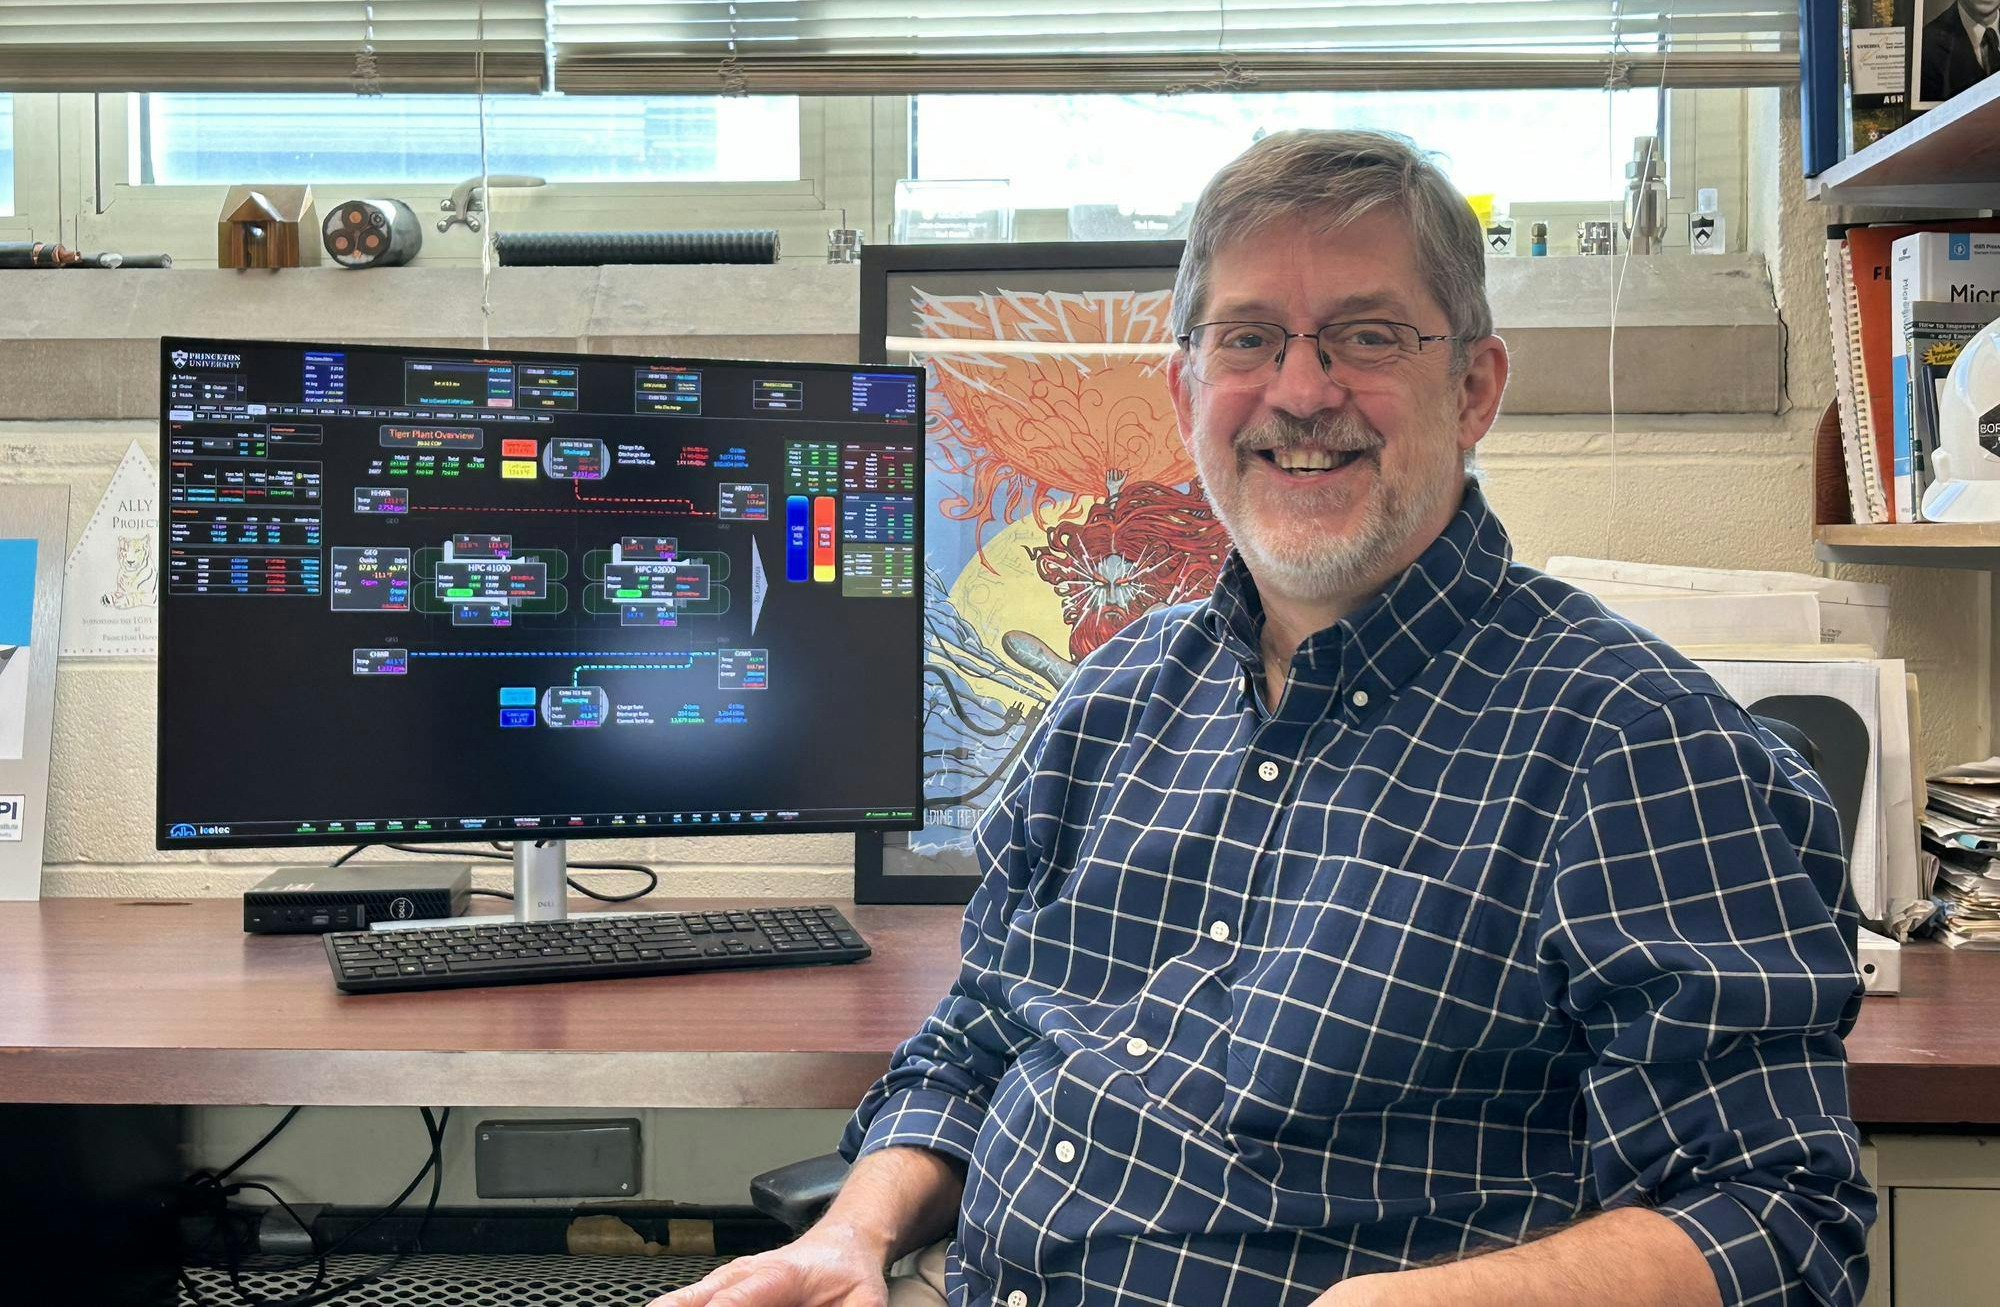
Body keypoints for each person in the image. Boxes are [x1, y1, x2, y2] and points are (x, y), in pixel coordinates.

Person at [653, 130, 1873, 1307]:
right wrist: (851, 1236)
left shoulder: (1639, 750)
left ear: (1475, 386)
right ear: (1187, 389)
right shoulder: (1112, 701)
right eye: (1250, 339)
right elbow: (974, 1041)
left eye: (1365, 335)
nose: (1299, 392)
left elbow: (1774, 1215)